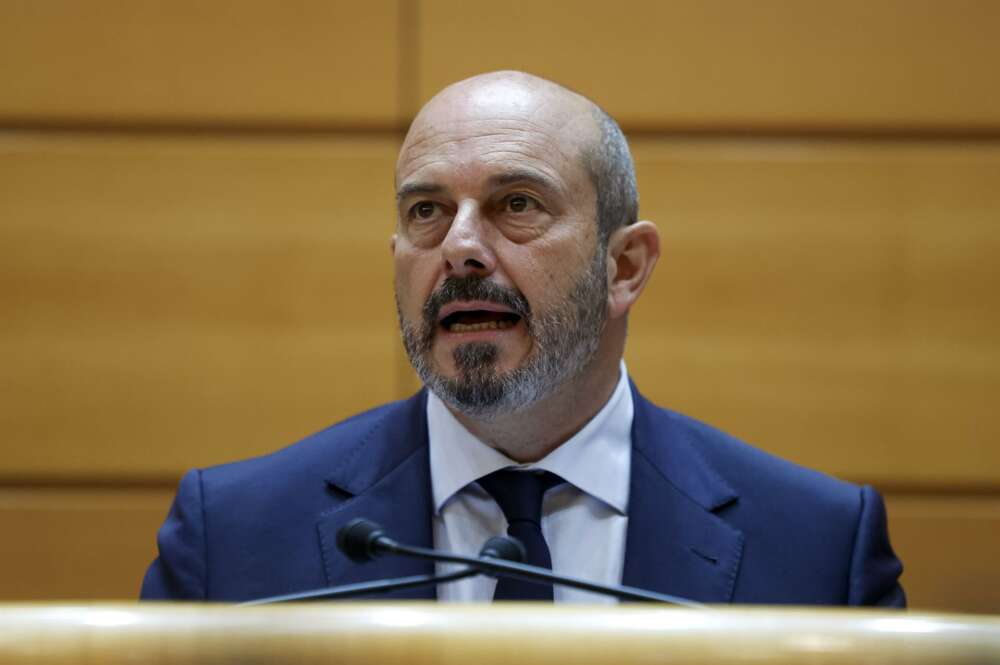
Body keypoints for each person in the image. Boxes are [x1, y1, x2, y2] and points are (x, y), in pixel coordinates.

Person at [141, 71, 905, 605]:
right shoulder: (232, 538)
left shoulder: (816, 549)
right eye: (426, 212)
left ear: (625, 265)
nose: (460, 248)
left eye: (516, 203)